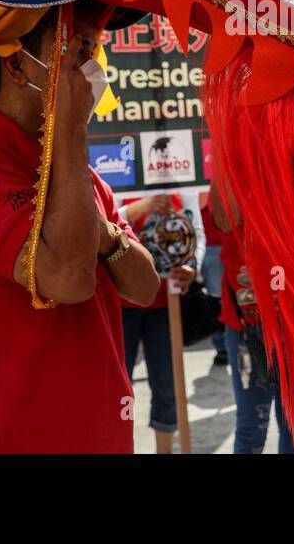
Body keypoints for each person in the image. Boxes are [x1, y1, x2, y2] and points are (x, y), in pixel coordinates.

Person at [0, 1, 160, 453]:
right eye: (79, 48)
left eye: (93, 49)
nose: (91, 67)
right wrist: (70, 130)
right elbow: (69, 280)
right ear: (16, 64)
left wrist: (105, 234)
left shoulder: (81, 177)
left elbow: (145, 288)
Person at [210, 181, 294, 454]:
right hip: (247, 324)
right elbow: (223, 218)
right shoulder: (230, 169)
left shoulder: (292, 161)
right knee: (252, 426)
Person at [119, 192, 199, 454]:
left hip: (166, 303)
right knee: (117, 390)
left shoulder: (182, 171)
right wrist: (138, 209)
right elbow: (99, 219)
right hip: (119, 303)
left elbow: (195, 225)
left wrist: (192, 264)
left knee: (167, 387)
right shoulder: (114, 161)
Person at [197, 191, 228, 365]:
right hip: (212, 247)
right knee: (217, 301)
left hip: (224, 245)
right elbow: (201, 203)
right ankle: (222, 348)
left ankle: (226, 347)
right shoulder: (200, 178)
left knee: (223, 300)